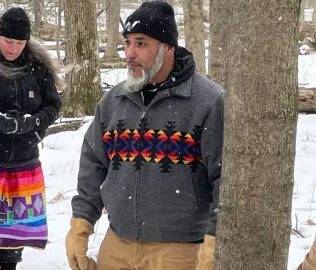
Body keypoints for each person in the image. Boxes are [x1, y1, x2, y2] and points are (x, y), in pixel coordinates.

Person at [65, 1, 224, 270]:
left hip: (180, 251)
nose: (129, 53)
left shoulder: (208, 101)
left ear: (168, 47)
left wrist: (214, 241)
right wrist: (81, 225)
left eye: (141, 43)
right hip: (117, 244)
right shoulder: (114, 101)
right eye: (127, 42)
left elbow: (224, 178)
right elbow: (92, 165)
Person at [0, 7, 64, 270]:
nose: (13, 48)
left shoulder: (38, 67)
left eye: (19, 43)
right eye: (8, 41)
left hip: (24, 157)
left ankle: (10, 265)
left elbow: (53, 106)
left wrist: (32, 123)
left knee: (15, 227)